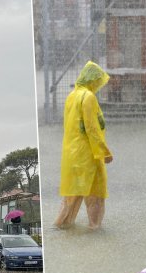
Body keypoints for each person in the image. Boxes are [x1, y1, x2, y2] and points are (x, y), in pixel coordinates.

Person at [54, 60, 113, 230]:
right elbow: (92, 128)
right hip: (88, 155)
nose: (99, 85)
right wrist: (104, 151)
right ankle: (95, 229)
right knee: (95, 194)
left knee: (72, 195)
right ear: (93, 80)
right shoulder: (88, 97)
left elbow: (71, 126)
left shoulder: (71, 96)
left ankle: (61, 227)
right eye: (98, 81)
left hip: (72, 154)